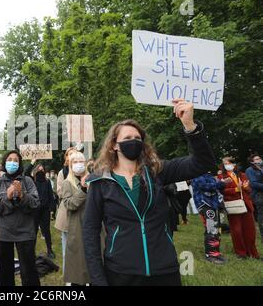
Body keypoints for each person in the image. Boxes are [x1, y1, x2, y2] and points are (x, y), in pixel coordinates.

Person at [83, 99, 216, 286]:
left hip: (164, 269)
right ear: (114, 145)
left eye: (138, 139)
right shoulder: (101, 182)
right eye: (128, 139)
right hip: (121, 272)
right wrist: (98, 280)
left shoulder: (158, 171)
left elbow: (203, 163)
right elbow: (90, 232)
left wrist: (189, 125)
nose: (134, 142)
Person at [0, 150, 41, 286]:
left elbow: (36, 204)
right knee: (4, 272)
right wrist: (7, 197)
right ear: (4, 163)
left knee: (29, 271)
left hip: (25, 233)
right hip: (3, 233)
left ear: (20, 164)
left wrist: (22, 195)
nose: (12, 162)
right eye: (9, 160)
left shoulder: (28, 181)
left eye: (16, 160)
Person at [219, 157, 260, 260]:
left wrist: (246, 188)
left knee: (250, 230)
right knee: (237, 230)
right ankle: (241, 253)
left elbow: (249, 189)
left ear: (234, 164)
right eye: (225, 163)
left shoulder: (242, 175)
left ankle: (253, 253)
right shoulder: (221, 176)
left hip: (246, 205)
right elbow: (222, 191)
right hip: (233, 205)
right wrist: (236, 189)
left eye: (229, 163)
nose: (227, 165)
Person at [61, 151, 90, 286]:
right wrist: (83, 190)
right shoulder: (67, 183)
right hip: (77, 228)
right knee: (78, 269)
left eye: (81, 162)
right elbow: (69, 204)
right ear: (70, 165)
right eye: (75, 162)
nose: (79, 165)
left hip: (94, 227)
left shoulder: (93, 180)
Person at [191, 173, 227, 264]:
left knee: (216, 229)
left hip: (213, 204)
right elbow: (205, 186)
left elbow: (216, 188)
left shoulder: (209, 175)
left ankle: (216, 252)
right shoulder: (197, 175)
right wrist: (221, 183)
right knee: (211, 229)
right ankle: (210, 255)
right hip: (204, 204)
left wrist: (222, 184)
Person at [54, 147, 77, 275]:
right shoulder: (62, 172)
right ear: (66, 158)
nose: (71, 156)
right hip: (67, 212)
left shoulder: (83, 171)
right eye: (69, 154)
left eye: (74, 153)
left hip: (82, 213)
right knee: (66, 247)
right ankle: (68, 275)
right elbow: (60, 191)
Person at [33, 165, 56, 259]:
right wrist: (32, 163)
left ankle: (49, 250)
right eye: (39, 170)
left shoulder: (47, 182)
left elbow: (50, 195)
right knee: (34, 231)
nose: (41, 171)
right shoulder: (33, 182)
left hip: (45, 210)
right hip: (35, 210)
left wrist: (52, 209)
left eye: (42, 169)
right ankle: (31, 251)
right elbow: (26, 173)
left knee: (46, 230)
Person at [245, 154, 263, 243]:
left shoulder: (261, 168)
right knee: (261, 215)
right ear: (252, 161)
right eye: (256, 159)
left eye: (260, 158)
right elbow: (253, 183)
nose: (259, 160)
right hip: (258, 194)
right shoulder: (250, 170)